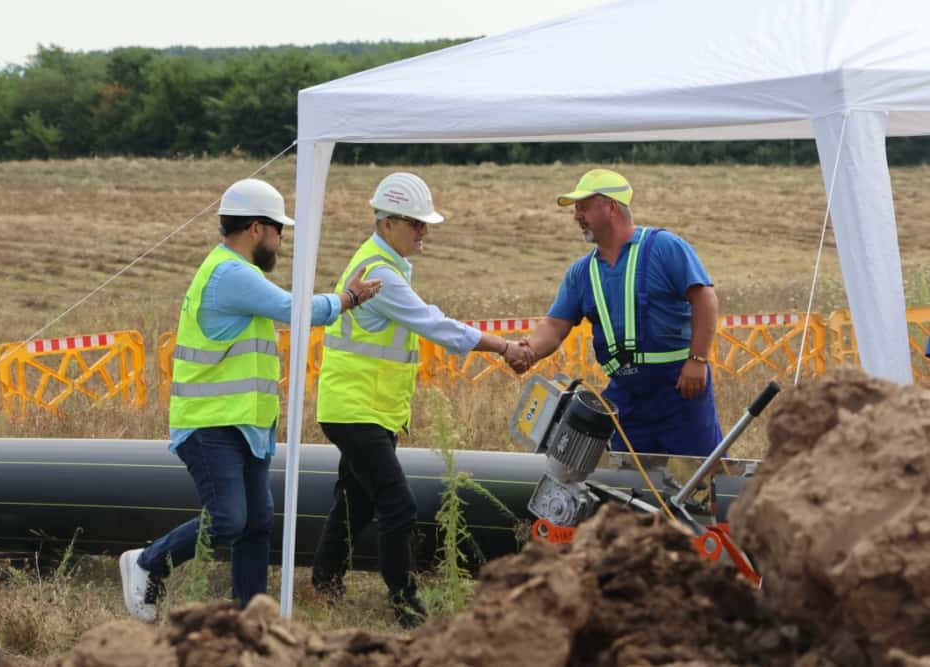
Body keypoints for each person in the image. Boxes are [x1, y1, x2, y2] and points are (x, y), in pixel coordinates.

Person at [118, 178, 382, 623]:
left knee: (256, 522)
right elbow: (300, 312)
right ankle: (147, 562)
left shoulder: (239, 274)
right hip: (211, 424)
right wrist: (350, 298)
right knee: (228, 519)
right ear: (258, 228)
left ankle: (252, 621)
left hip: (246, 425)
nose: (281, 242)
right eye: (280, 231)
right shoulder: (230, 274)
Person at [311, 172, 532, 628]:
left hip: (367, 407)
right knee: (399, 504)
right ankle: (405, 605)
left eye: (424, 223)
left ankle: (324, 584)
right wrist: (504, 347)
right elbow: (437, 325)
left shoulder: (384, 264)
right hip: (356, 409)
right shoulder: (381, 275)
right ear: (387, 223)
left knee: (356, 500)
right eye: (416, 223)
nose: (423, 231)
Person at [513, 168, 722, 457]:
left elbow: (705, 299)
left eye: (583, 207)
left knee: (699, 480)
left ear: (610, 206)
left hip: (680, 389)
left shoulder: (664, 247)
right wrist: (529, 351)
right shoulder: (581, 273)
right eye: (576, 209)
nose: (576, 216)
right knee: (631, 484)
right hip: (626, 397)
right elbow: (554, 324)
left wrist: (698, 360)